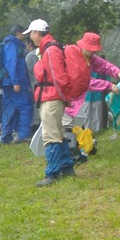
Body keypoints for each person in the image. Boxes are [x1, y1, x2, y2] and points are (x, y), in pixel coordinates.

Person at [25, 20, 74, 187]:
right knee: (59, 134)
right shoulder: (50, 48)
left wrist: (64, 97)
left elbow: (57, 76)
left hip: (51, 97)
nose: (30, 37)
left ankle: (52, 174)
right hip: (53, 96)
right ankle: (67, 168)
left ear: (37, 33)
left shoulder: (50, 50)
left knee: (50, 136)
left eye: (31, 33)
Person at [0, 25, 34, 144]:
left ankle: (5, 137)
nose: (25, 36)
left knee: (10, 109)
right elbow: (11, 63)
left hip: (10, 82)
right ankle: (22, 135)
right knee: (26, 106)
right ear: (18, 33)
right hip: (15, 82)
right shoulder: (13, 45)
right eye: (23, 33)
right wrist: (15, 82)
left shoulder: (11, 45)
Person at [24, 41, 42, 136]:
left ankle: (34, 130)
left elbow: (27, 73)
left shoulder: (29, 56)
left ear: (30, 44)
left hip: (33, 85)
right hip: (44, 86)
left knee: (35, 108)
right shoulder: (44, 53)